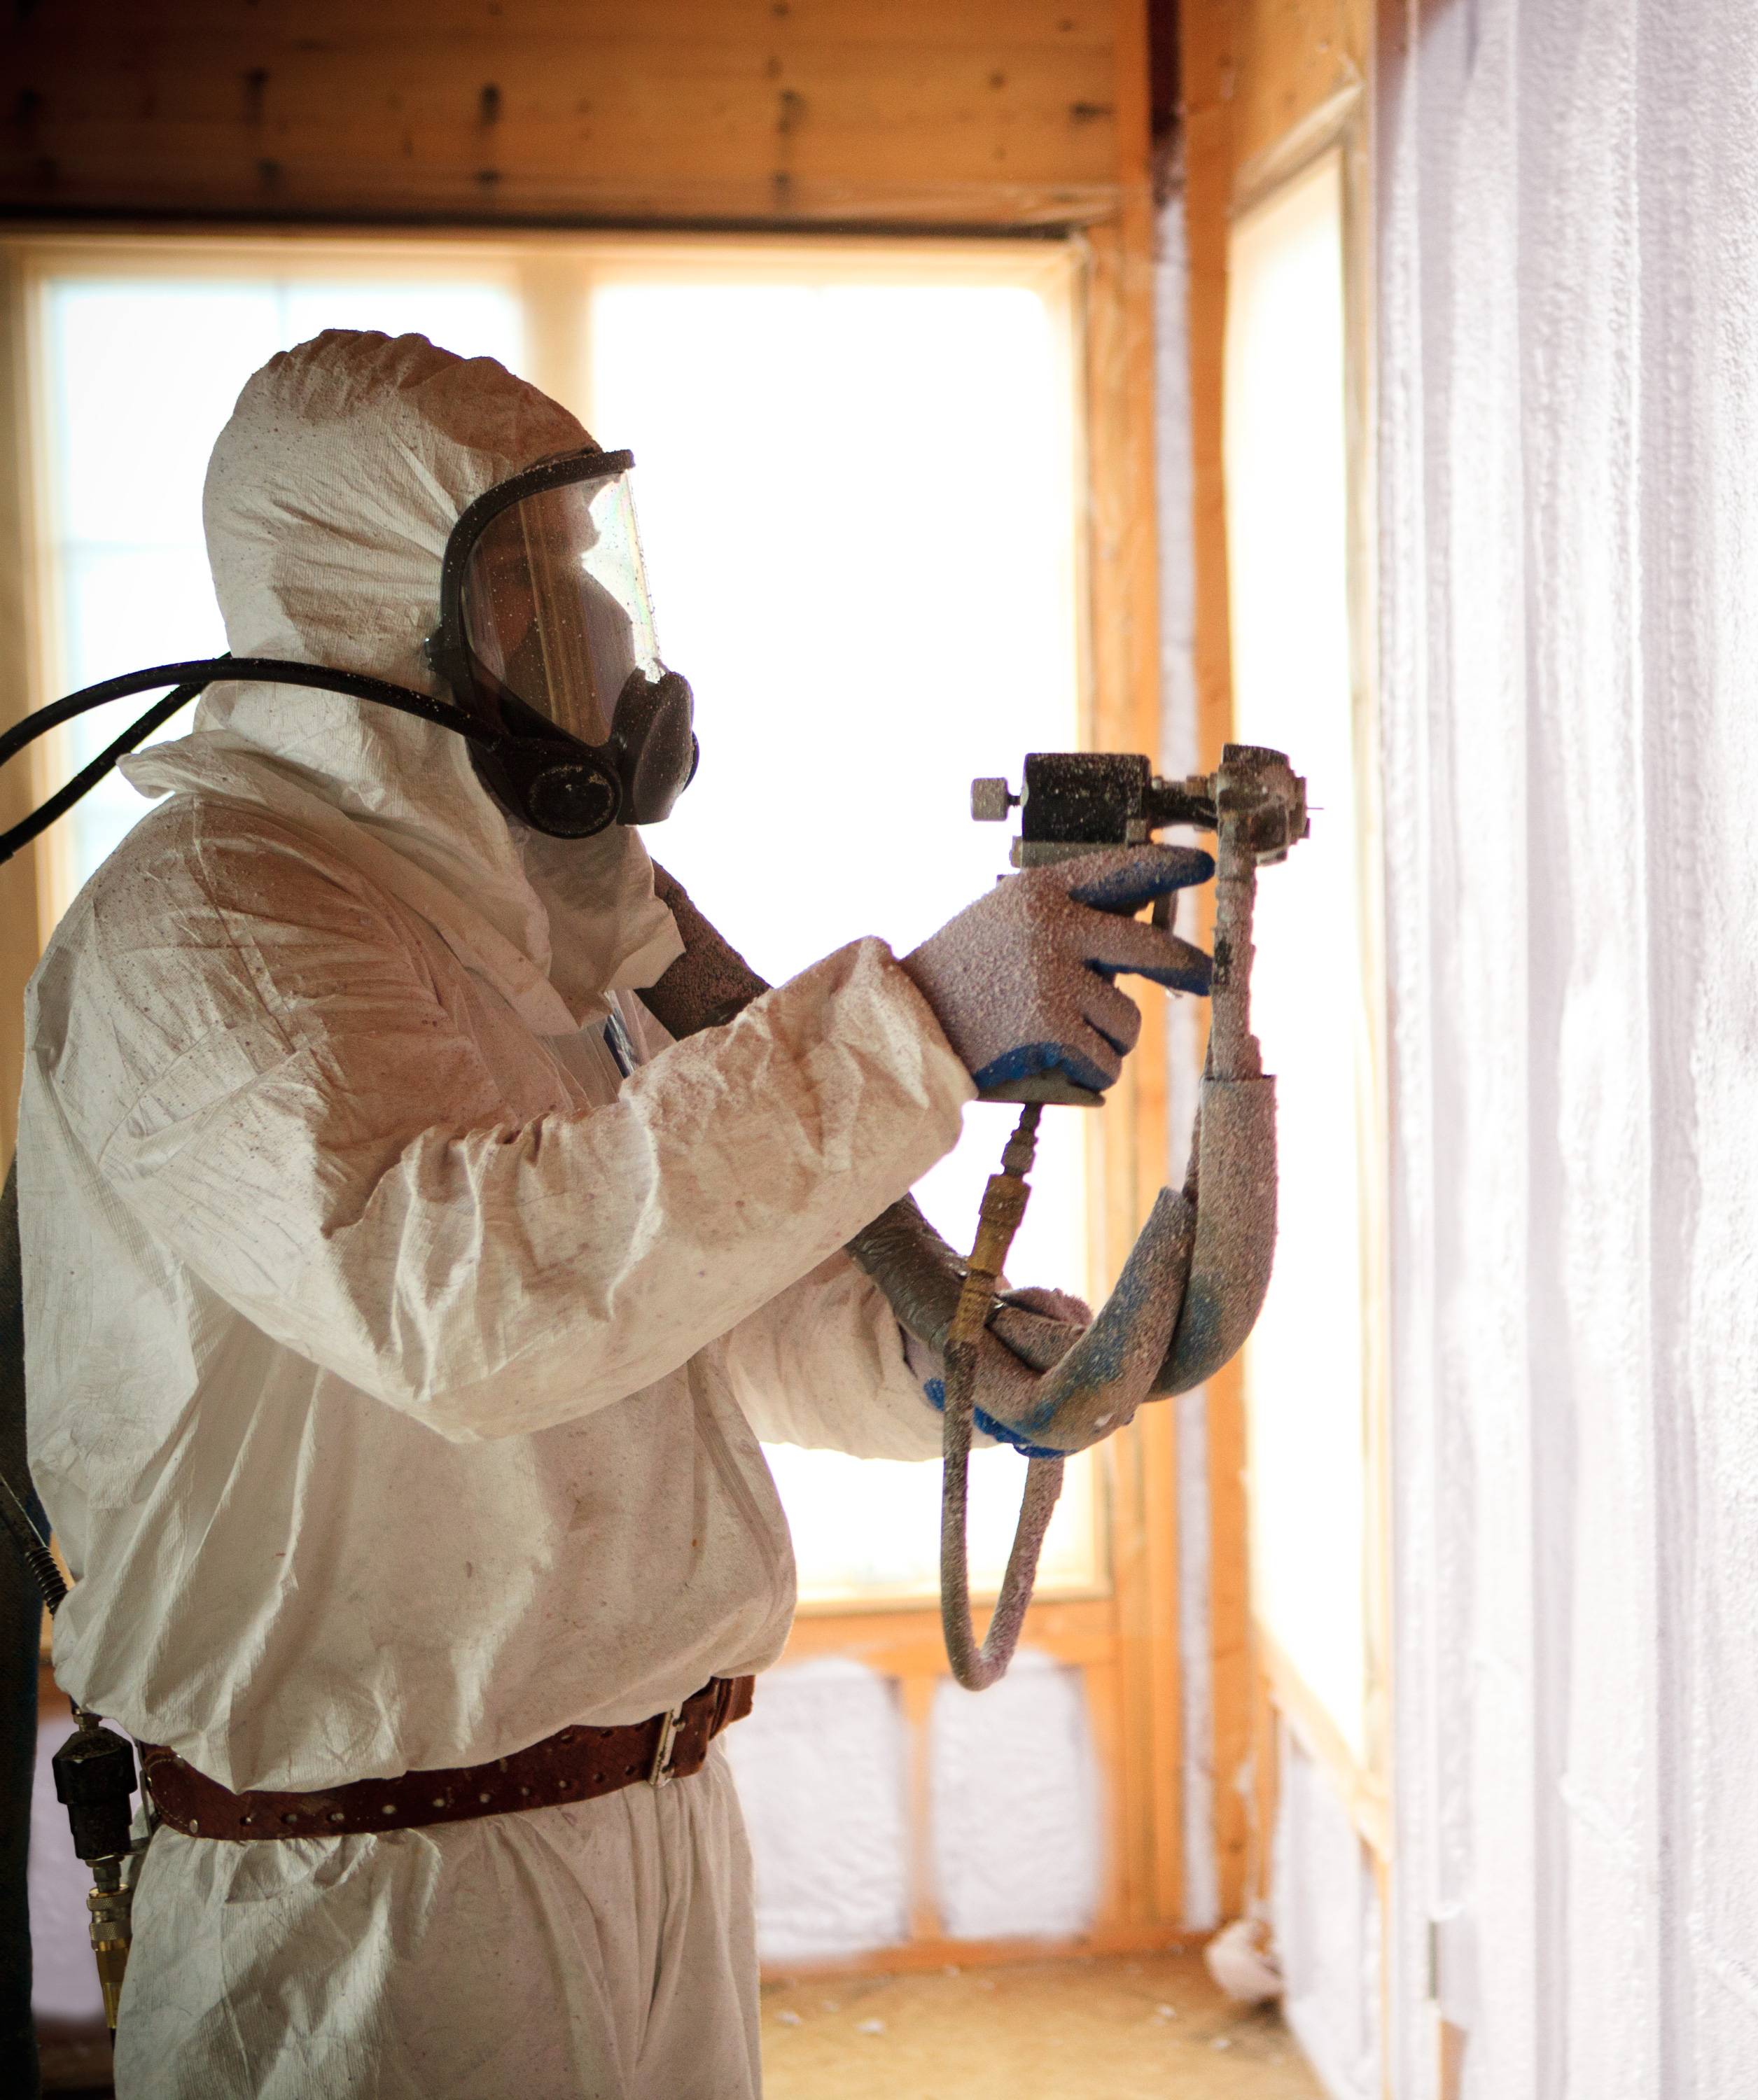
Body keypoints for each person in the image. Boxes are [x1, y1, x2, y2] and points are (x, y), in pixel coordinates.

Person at [13, 329, 1209, 2094]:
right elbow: (468, 1305)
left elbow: (652, 1312)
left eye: (583, 562)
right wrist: (912, 1028)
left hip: (647, 1820)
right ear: (364, 608)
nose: (592, 632)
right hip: (365, 1903)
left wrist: (940, 1369)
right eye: (519, 579)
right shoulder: (212, 924)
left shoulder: (529, 917)